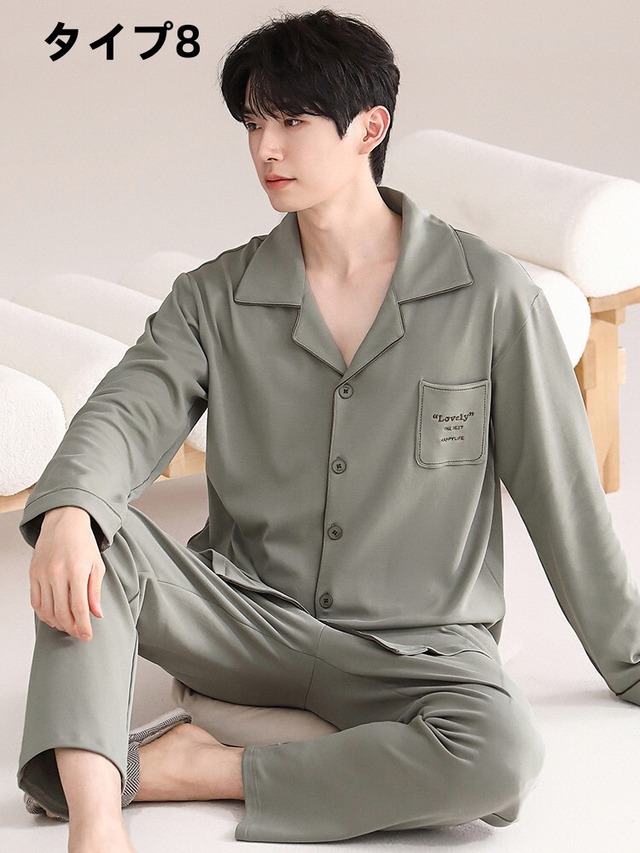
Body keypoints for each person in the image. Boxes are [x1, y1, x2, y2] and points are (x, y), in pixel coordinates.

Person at [18, 8, 640, 853]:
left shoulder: (490, 295)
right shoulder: (215, 296)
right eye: (253, 124)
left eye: (292, 122)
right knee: (91, 532)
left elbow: (561, 492)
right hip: (245, 617)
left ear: (369, 130)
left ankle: (181, 770)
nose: (266, 149)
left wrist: (629, 659)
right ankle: (95, 823)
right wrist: (69, 511)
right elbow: (127, 408)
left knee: (502, 755)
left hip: (416, 647)